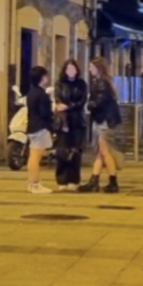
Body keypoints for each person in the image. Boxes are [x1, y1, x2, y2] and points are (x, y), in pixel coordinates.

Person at [80, 57, 123, 193]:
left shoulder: (101, 84)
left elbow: (97, 103)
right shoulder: (103, 82)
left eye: (91, 67)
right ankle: (94, 180)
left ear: (98, 68)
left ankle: (113, 181)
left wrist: (88, 104)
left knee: (105, 152)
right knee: (100, 153)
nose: (89, 69)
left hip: (104, 121)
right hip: (104, 121)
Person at [54, 59, 88, 191]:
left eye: (73, 68)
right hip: (63, 121)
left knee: (76, 151)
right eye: (68, 68)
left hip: (78, 121)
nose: (71, 71)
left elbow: (82, 101)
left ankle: (74, 180)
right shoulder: (59, 84)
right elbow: (58, 100)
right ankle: (61, 179)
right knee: (62, 151)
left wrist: (68, 107)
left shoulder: (81, 84)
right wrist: (62, 107)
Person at [25, 66, 55, 194]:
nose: (47, 78)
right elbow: (45, 113)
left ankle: (32, 183)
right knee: (36, 158)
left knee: (32, 157)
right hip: (40, 128)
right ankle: (36, 184)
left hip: (32, 127)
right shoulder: (42, 95)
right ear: (41, 78)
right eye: (46, 76)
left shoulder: (31, 93)